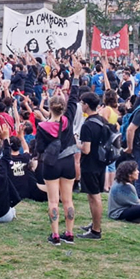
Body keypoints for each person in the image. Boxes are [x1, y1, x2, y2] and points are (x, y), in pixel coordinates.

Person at [38, 58, 81, 246]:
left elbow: (39, 148)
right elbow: (74, 99)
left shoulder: (41, 126)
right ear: (63, 108)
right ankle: (69, 233)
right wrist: (76, 77)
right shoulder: (68, 120)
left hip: (52, 164)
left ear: (49, 108)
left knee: (53, 201)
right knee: (68, 200)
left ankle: (55, 235)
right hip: (68, 162)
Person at [77, 91, 109, 240]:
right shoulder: (102, 120)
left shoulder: (88, 125)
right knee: (94, 195)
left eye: (82, 103)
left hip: (90, 164)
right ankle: (95, 224)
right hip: (101, 162)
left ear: (87, 105)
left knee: (94, 197)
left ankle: (96, 230)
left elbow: (86, 149)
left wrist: (75, 142)